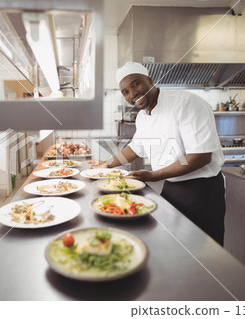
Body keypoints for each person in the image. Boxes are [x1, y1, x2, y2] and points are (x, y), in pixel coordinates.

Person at [92, 61, 226, 245]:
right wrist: (106, 165)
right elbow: (135, 147)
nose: (133, 94)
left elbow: (200, 157)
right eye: (125, 92)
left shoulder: (186, 102)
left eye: (136, 84)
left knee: (204, 251)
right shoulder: (143, 116)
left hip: (202, 191)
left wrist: (154, 175)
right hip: (171, 188)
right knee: (172, 245)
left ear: (150, 80)